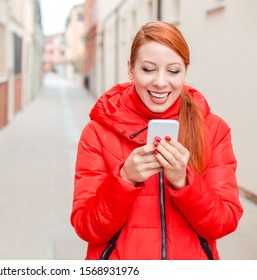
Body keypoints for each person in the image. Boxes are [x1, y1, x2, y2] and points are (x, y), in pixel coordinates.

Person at [70, 21, 243, 260]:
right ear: (130, 69)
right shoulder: (97, 133)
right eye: (149, 69)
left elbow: (224, 222)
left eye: (173, 71)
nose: (161, 82)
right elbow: (86, 226)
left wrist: (184, 182)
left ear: (185, 71)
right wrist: (125, 179)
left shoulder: (214, 130)